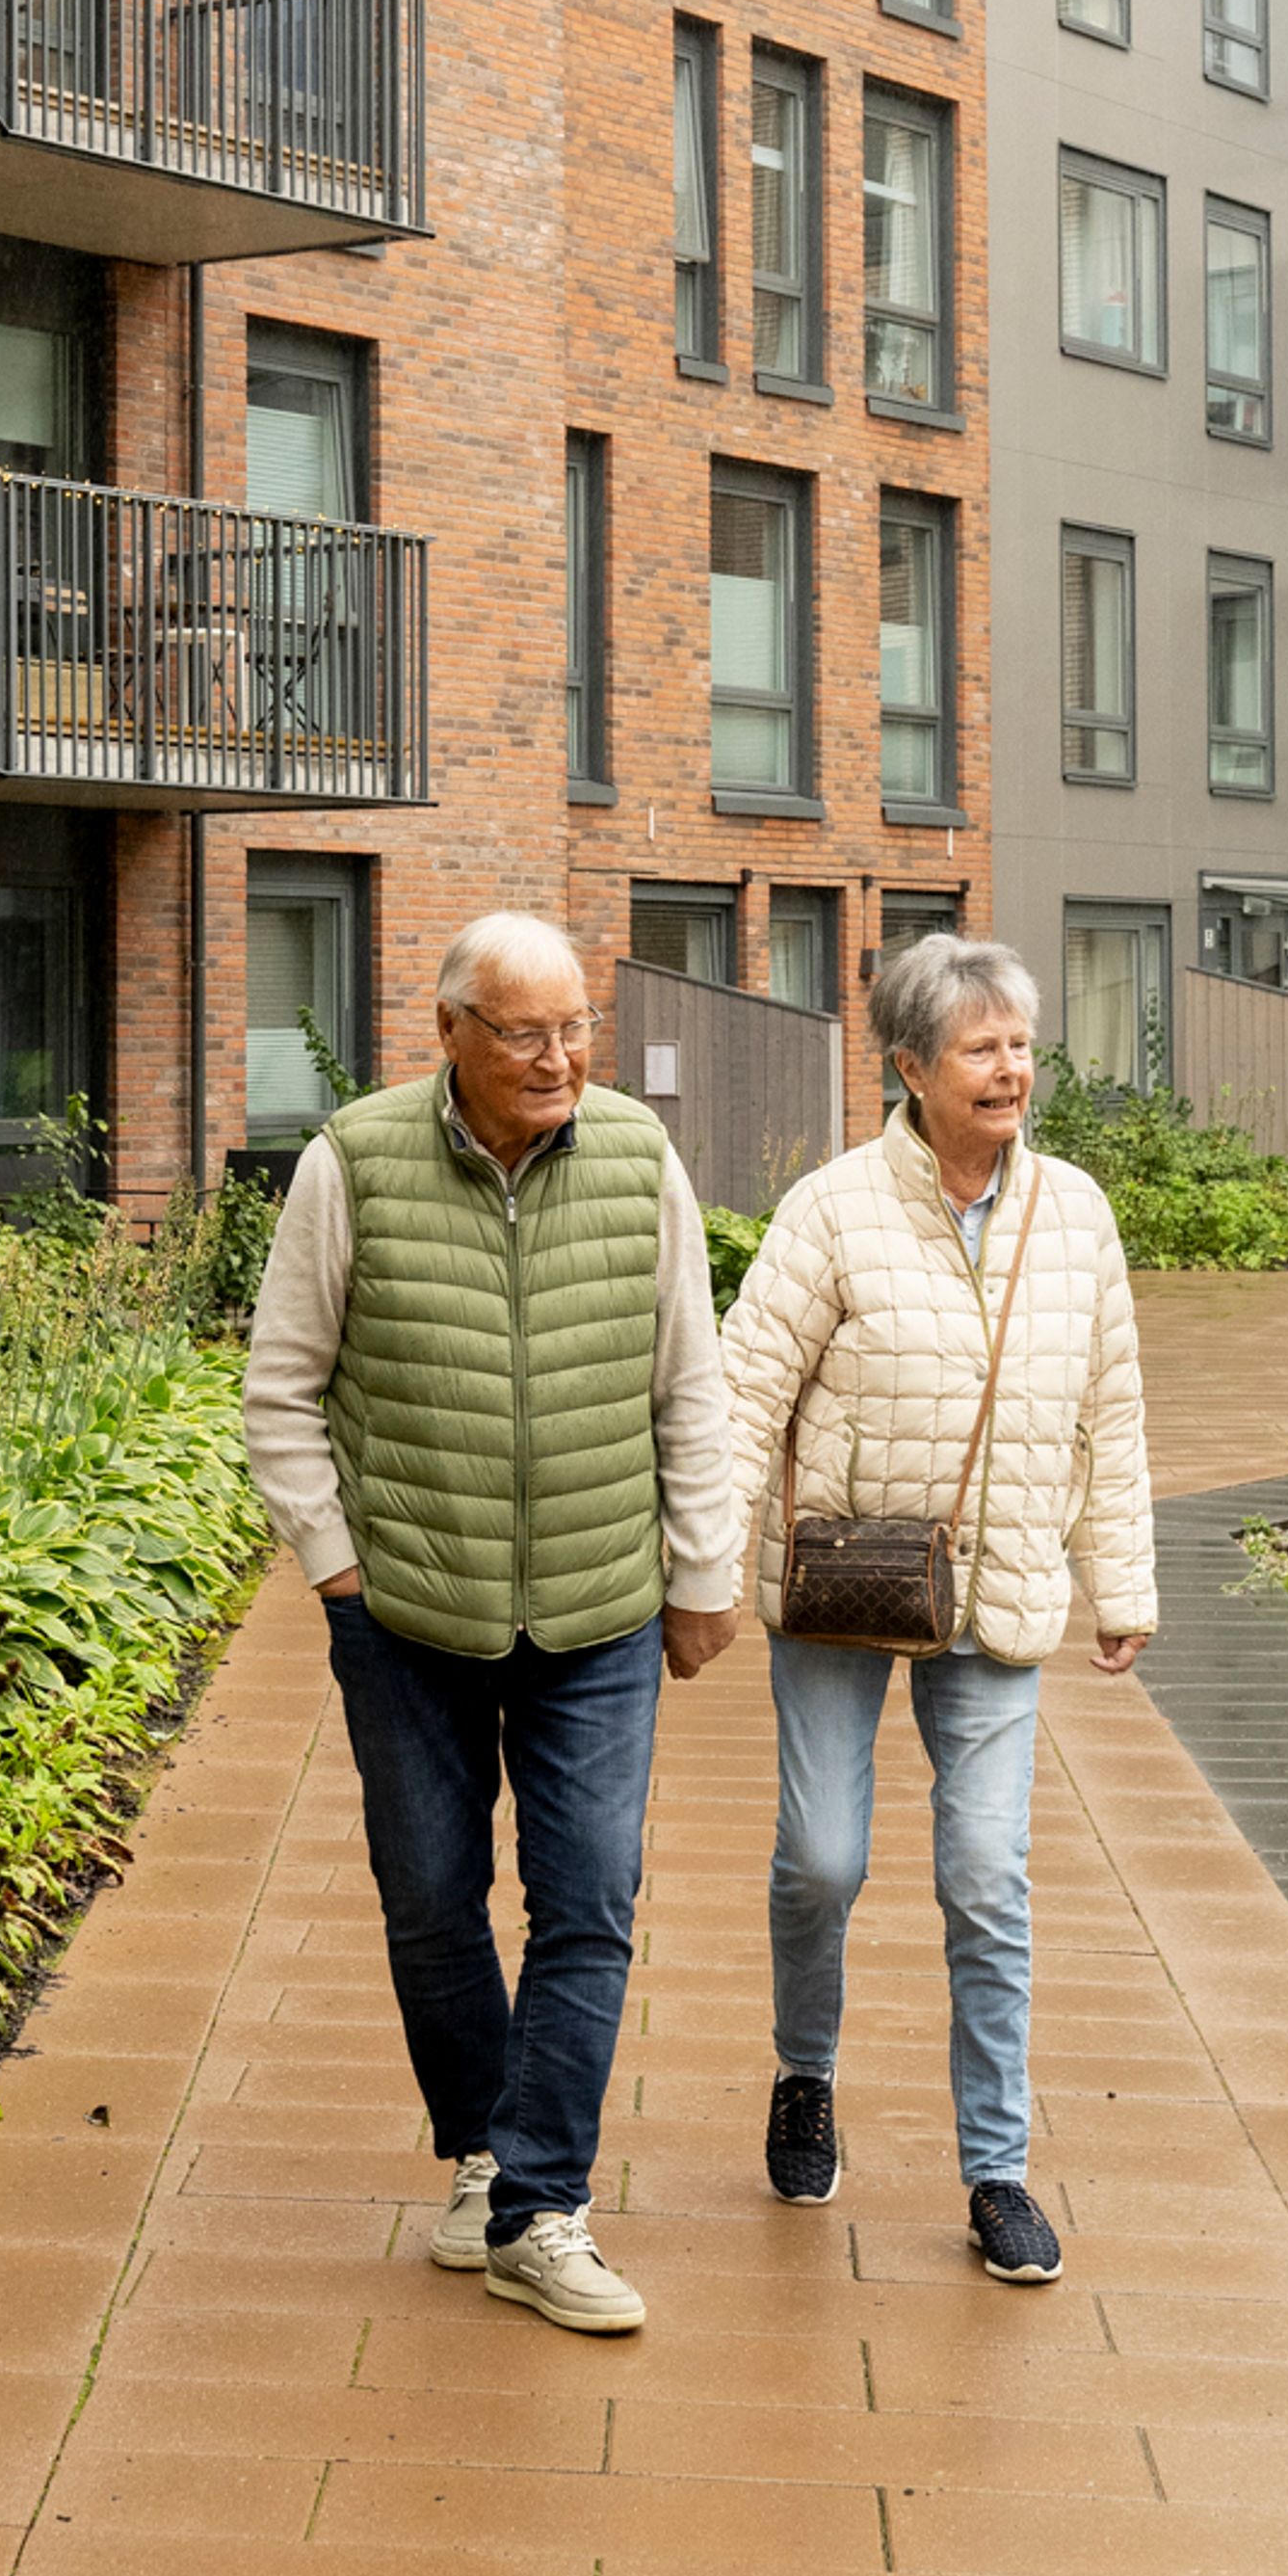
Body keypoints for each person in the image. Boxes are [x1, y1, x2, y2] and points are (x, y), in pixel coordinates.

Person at [242, 910, 738, 2335]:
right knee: (431, 1903)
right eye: (523, 1032)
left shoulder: (638, 1158)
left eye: (575, 1027)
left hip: (597, 1607)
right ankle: (482, 2153)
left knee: (588, 1902)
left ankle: (539, 2208)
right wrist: (338, 1566)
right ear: (449, 1031)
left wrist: (702, 1573)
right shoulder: (355, 1161)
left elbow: (690, 1386)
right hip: (407, 1609)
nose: (559, 1056)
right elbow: (284, 1387)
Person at [715, 935, 1152, 2284]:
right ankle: (804, 2073)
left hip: (1005, 1583)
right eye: (982, 1047)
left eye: (1021, 1043)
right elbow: (744, 1393)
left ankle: (998, 2169)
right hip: (846, 1584)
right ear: (909, 1066)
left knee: (986, 1879)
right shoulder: (832, 1210)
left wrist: (1122, 1579)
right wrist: (698, 1568)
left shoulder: (1074, 1212)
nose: (1012, 1068)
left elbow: (1111, 1411)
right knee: (824, 1860)